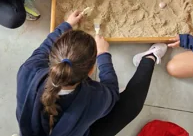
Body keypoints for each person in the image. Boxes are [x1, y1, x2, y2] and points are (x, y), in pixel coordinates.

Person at [16, 9, 168, 136]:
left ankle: (150, 58)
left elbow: (44, 47)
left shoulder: (28, 71)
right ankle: (149, 58)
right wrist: (103, 55)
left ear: (54, 56)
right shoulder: (94, 97)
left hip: (34, 130)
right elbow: (112, 92)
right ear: (91, 70)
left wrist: (67, 24)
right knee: (131, 105)